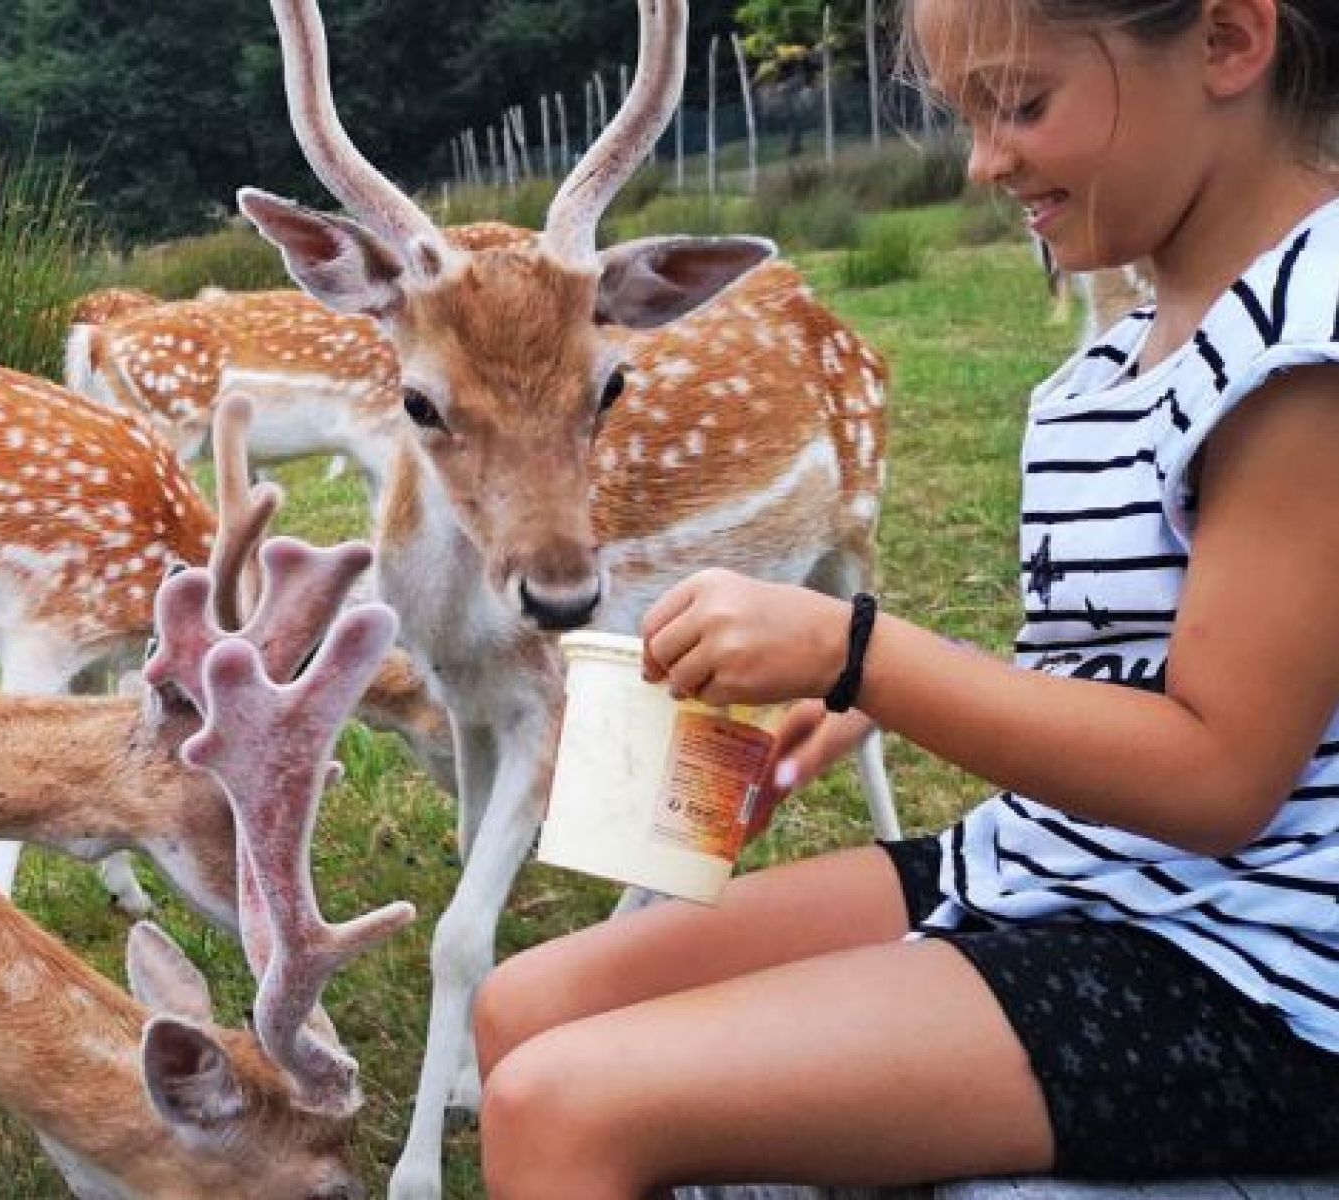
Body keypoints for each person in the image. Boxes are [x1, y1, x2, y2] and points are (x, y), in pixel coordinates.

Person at [471, 1, 1339, 1197]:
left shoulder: (1299, 356)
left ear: (1229, 43)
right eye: (968, 116)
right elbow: (1142, 655)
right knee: (524, 1008)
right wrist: (869, 703)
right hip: (1057, 865)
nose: (984, 160)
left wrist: (859, 654)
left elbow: (1219, 778)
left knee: (559, 1107)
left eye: (1021, 105)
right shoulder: (1132, 342)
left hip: (1245, 965)